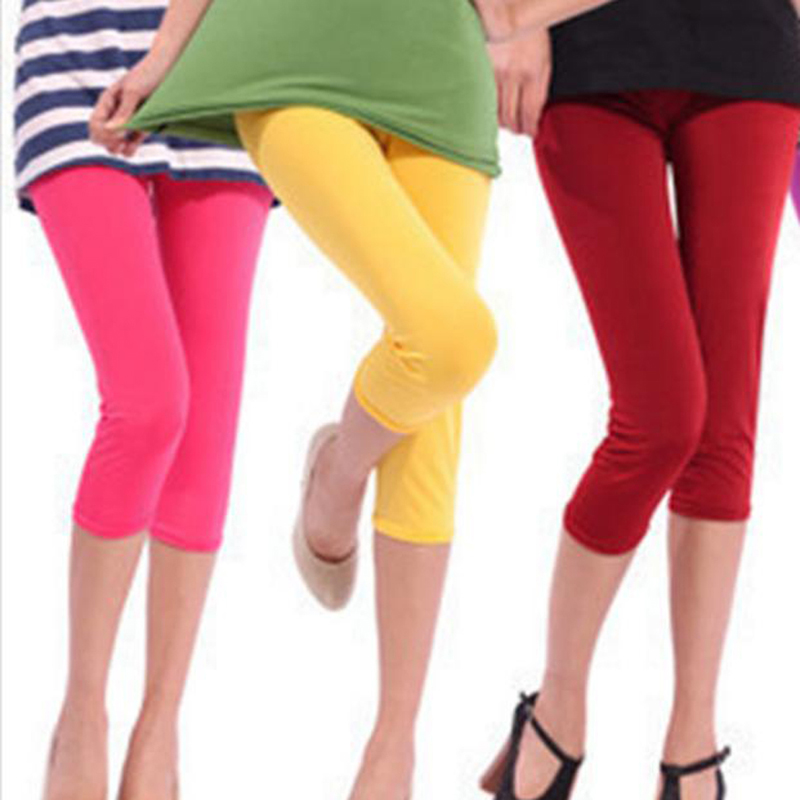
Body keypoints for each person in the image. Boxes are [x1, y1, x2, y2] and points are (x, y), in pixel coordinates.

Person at [89, 1, 612, 797]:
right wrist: (162, 56)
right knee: (451, 338)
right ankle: (337, 473)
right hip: (287, 54)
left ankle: (392, 746)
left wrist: (524, 19)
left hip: (440, 71)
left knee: (435, 407)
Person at [479, 2, 800, 799]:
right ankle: (558, 706)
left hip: (750, 49)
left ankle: (693, 737)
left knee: (725, 421)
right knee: (660, 417)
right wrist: (508, 20)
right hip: (589, 52)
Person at [13, 1, 275, 798]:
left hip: (225, 62)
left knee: (206, 428)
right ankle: (82, 711)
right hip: (79, 51)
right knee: (149, 401)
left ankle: (161, 724)